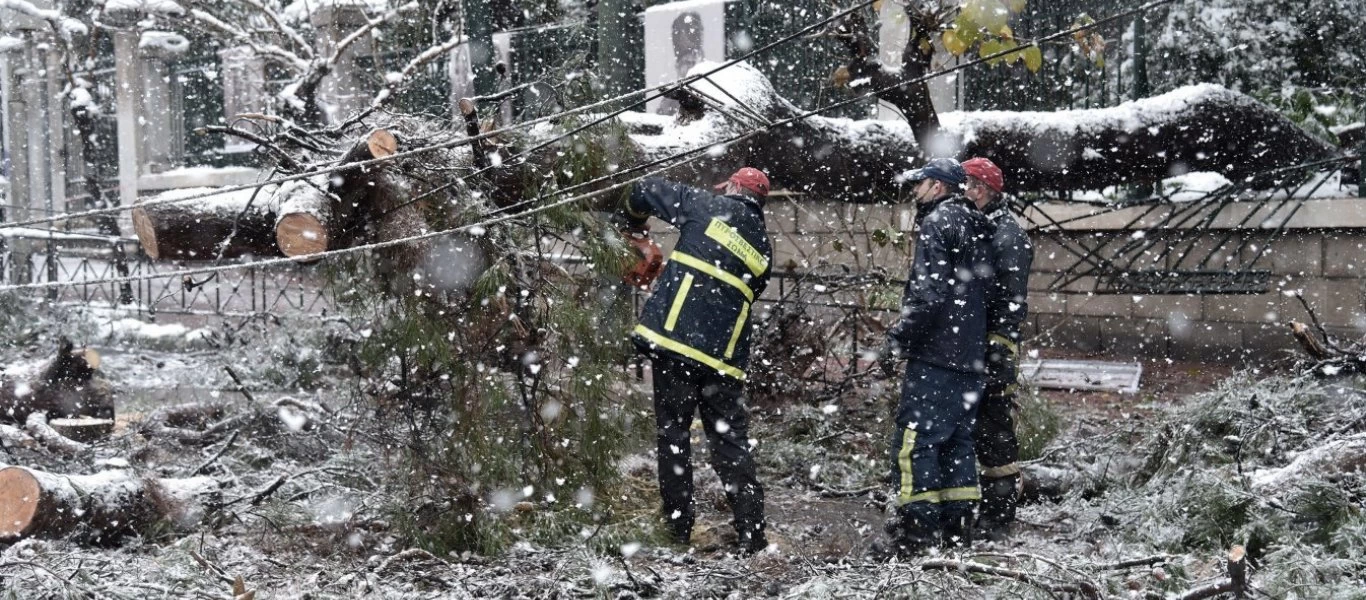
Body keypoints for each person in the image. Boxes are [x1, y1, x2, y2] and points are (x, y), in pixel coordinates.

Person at [621, 167, 773, 554]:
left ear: (734, 188)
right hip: (723, 360)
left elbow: (642, 191)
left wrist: (635, 226)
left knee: (674, 438)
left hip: (677, 346)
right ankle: (753, 534)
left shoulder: (705, 204)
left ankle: (677, 531)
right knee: (730, 443)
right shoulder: (764, 248)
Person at [877, 157, 994, 556]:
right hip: (970, 358)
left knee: (915, 445)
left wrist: (897, 340)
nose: (915, 191)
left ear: (939, 187)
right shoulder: (979, 226)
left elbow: (928, 297)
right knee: (957, 444)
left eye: (921, 184)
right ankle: (957, 536)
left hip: (937, 357)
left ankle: (917, 540)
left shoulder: (938, 223)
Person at [962, 157, 1034, 541]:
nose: (966, 193)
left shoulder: (1007, 236)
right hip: (972, 343)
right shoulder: (979, 229)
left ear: (987, 190)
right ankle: (975, 508)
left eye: (971, 185)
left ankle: (998, 516)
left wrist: (996, 348)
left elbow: (1010, 302)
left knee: (994, 430)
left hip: (995, 349)